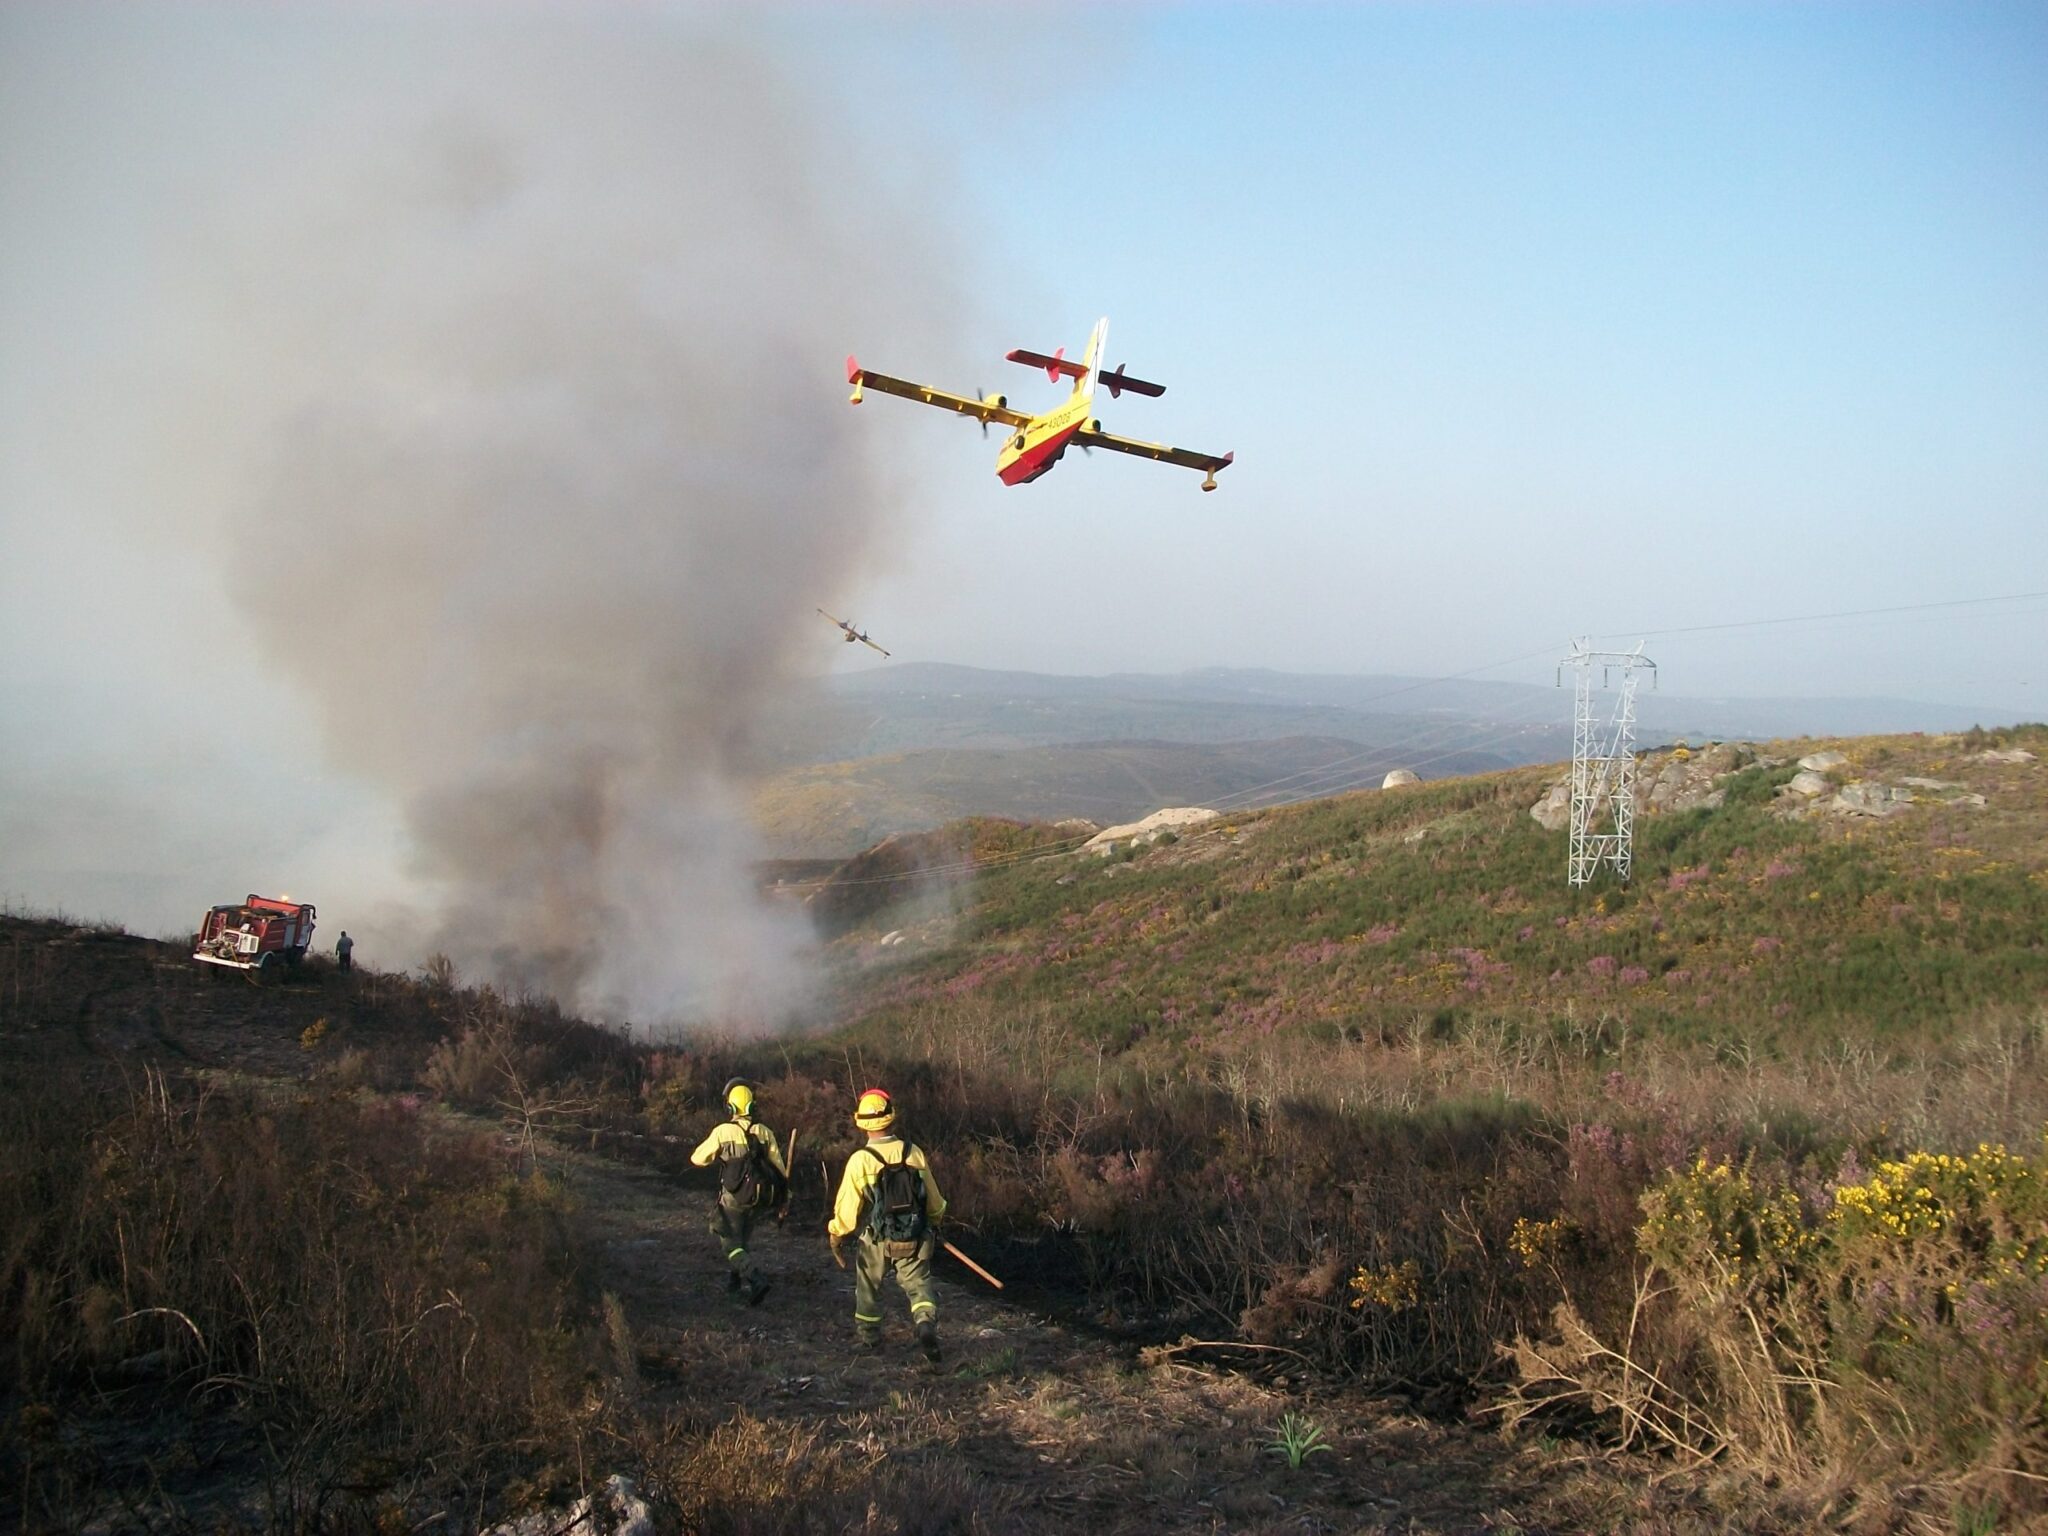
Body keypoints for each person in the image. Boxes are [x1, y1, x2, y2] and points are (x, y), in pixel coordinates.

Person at [828, 1087, 948, 1361]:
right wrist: (935, 1221)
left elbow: (846, 1214)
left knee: (868, 1285)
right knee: (919, 1284)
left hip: (877, 1241)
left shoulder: (860, 1161)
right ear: (891, 1118)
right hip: (914, 1237)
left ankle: (870, 1338)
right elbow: (934, 1201)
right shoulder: (913, 1152)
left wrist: (835, 1235)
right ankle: (925, 1322)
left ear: (861, 1122)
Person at [688, 1078, 789, 1305]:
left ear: (730, 1108)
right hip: (757, 1199)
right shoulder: (764, 1132)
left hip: (733, 1198)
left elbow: (697, 1158)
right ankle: (734, 1282)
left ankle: (755, 1279)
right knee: (742, 1239)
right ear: (752, 1106)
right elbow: (780, 1170)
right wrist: (785, 1199)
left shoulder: (723, 1132)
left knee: (729, 1242)